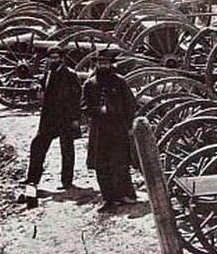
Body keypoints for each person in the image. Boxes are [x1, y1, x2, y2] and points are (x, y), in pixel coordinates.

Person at [82, 50, 137, 212]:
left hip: (118, 129)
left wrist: (129, 127)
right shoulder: (89, 84)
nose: (103, 65)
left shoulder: (120, 82)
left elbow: (131, 105)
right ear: (96, 64)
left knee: (121, 163)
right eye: (100, 63)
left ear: (110, 64)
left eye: (105, 63)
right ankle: (108, 198)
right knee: (101, 165)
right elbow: (84, 107)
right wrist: (99, 110)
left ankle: (125, 195)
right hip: (99, 131)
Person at [25, 47, 82, 191]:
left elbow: (77, 99)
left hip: (65, 117)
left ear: (62, 58)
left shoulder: (70, 75)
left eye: (56, 57)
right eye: (51, 57)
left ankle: (67, 182)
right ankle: (32, 179)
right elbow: (42, 83)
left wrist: (75, 118)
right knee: (38, 145)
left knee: (67, 149)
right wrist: (38, 86)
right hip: (49, 118)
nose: (54, 60)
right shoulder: (49, 72)